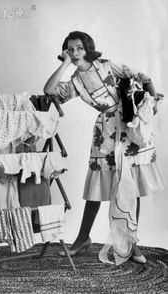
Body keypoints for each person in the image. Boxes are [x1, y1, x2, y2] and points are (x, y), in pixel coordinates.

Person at [43, 31, 165, 265]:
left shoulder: (108, 65)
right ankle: (82, 237)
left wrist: (152, 103)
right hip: (105, 131)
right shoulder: (75, 82)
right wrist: (66, 63)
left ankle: (131, 241)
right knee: (97, 186)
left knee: (131, 185)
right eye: (69, 49)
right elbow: (49, 89)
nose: (74, 52)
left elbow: (143, 76)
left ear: (88, 48)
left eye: (78, 48)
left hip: (130, 125)